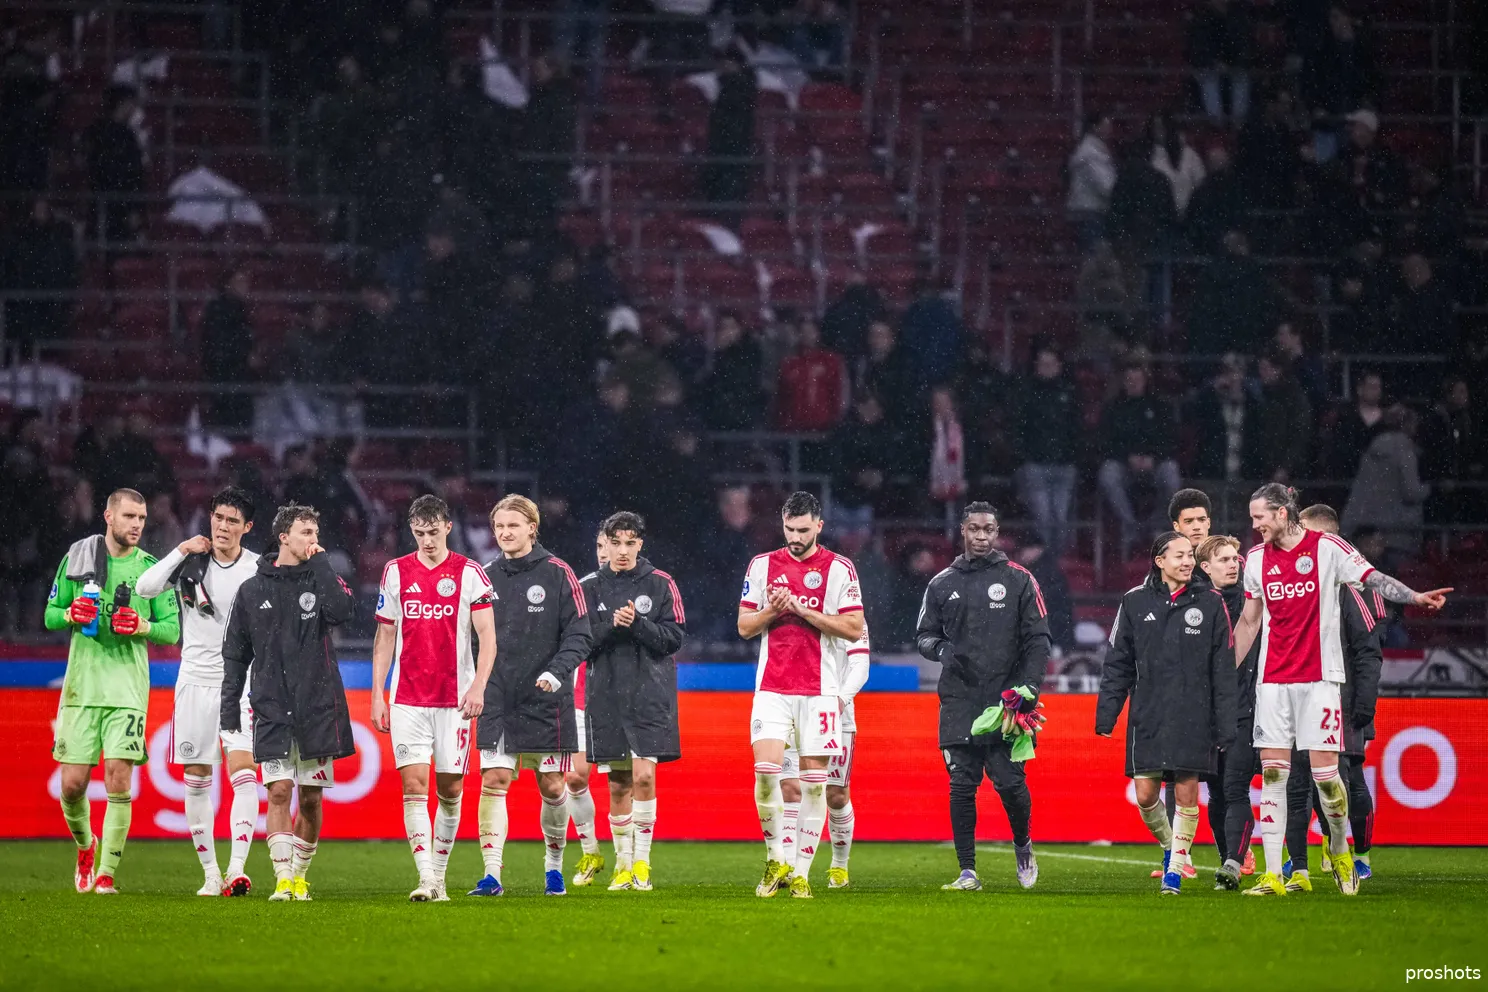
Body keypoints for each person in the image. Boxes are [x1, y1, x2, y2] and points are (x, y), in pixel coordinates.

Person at [1232, 483, 1451, 896]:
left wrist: (1414, 597)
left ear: (1282, 513)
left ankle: (1338, 846)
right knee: (1274, 774)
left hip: (1320, 681)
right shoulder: (1257, 559)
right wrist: (1226, 671)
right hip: (1273, 682)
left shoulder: (1327, 547)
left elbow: (1374, 579)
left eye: (1259, 516)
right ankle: (1273, 875)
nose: (1255, 524)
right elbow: (1249, 621)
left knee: (1327, 779)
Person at [44, 488, 181, 895]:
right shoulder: (78, 557)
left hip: (127, 689)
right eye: (129, 516)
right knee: (72, 786)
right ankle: (86, 846)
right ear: (108, 516)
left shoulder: (151, 571)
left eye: (142, 518)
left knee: (118, 780)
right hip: (82, 689)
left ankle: (106, 874)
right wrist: (70, 614)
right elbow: (50, 615)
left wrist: (142, 626)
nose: (137, 524)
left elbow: (172, 630)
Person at [221, 504, 355, 902]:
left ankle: (299, 876)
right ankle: (282, 879)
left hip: (318, 707)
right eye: (306, 533)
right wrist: (229, 708)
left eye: (316, 532)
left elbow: (343, 611)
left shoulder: (321, 578)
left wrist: (323, 565)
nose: (314, 540)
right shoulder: (251, 590)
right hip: (272, 707)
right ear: (283, 537)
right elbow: (235, 655)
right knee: (279, 791)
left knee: (310, 798)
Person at [133, 487, 261, 897]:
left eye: (232, 521)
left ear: (247, 527)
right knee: (196, 777)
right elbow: (144, 588)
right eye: (218, 518)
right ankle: (210, 874)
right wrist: (181, 549)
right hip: (194, 682)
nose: (223, 526)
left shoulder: (258, 568)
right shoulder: (192, 562)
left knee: (244, 771)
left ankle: (236, 869)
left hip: (240, 684)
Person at [916, 502, 1050, 892]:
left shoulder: (1019, 579)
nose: (981, 535)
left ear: (997, 533)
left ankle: (1022, 844)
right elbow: (924, 635)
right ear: (962, 531)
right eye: (974, 528)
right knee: (961, 784)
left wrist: (1029, 688)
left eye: (988, 529)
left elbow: (1038, 640)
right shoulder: (941, 583)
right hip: (959, 698)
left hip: (1007, 700)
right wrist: (941, 649)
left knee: (1010, 785)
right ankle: (967, 871)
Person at [371, 495, 497, 902]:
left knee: (450, 791)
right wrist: (377, 694)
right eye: (419, 533)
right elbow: (385, 635)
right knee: (413, 785)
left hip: (454, 700)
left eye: (433, 532)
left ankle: (439, 877)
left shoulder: (470, 573)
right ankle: (426, 877)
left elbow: (488, 637)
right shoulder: (395, 572)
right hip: (407, 698)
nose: (426, 540)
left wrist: (478, 686)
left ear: (447, 526)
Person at [738, 491, 864, 899]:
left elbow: (853, 628)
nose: (795, 537)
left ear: (819, 526)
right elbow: (744, 627)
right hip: (772, 688)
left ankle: (802, 874)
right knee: (766, 774)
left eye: (803, 530)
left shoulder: (840, 569)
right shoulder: (762, 565)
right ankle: (776, 858)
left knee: (813, 786)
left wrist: (804, 611)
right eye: (789, 529)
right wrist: (773, 610)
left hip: (820, 691)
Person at [1098, 531, 1235, 894]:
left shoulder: (1210, 602)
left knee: (1187, 794)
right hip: (1149, 713)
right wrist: (1107, 713)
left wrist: (1226, 723)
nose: (1188, 561)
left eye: (1191, 555)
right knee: (1145, 795)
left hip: (1194, 714)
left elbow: (1223, 668)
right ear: (1160, 561)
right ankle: (1170, 848)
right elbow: (1118, 662)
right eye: (1180, 555)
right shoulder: (1134, 601)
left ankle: (1174, 871)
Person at [472, 495, 592, 898]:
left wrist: (556, 672)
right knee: (494, 779)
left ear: (532, 528)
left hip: (546, 697)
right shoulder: (485, 578)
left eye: (513, 525)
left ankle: (553, 868)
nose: (505, 533)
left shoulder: (559, 573)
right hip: (498, 697)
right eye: (499, 526)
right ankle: (492, 875)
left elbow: (580, 634)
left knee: (553, 785)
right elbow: (472, 639)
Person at [581, 512, 687, 892]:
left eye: (630, 543)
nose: (622, 550)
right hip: (605, 695)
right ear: (605, 544)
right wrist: (612, 625)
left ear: (640, 544)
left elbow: (675, 638)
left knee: (644, 776)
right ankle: (622, 866)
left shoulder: (661, 583)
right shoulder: (589, 587)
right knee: (618, 784)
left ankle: (642, 862)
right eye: (616, 543)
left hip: (650, 694)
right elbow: (578, 642)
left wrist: (638, 624)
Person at [1280, 503, 1382, 892]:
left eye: (1303, 531)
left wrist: (1363, 704)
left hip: (1345, 698)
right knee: (1303, 778)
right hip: (1305, 695)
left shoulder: (1354, 581)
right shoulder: (1302, 576)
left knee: (1350, 776)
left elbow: (1369, 648)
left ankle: (1360, 856)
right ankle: (1314, 850)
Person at [1196, 534, 1260, 890]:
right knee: (1217, 792)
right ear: (1205, 567)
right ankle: (1227, 860)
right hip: (1207, 714)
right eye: (1224, 559)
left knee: (1235, 788)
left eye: (1235, 558)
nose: (1233, 564)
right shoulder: (1196, 605)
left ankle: (1234, 862)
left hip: (1245, 710)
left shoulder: (1254, 601)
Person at [1096, 362, 1183, 553]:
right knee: (1107, 475)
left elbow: (1171, 439)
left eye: (1137, 379)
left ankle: (1155, 525)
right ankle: (1131, 526)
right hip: (1124, 466)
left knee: (1171, 474)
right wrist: (1128, 457)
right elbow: (1105, 442)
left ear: (1145, 381)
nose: (1133, 383)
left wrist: (1154, 458)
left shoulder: (1160, 406)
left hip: (1155, 465)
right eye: (1129, 379)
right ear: (1123, 382)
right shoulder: (1113, 407)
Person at [567, 529, 610, 888]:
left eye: (610, 545)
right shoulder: (582, 589)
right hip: (583, 696)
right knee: (575, 776)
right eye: (598, 545)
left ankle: (631, 860)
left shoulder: (646, 586)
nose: (604, 552)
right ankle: (591, 851)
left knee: (625, 783)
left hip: (624, 699)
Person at [1014, 344, 1080, 557]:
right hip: (1036, 465)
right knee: (1043, 518)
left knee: (1060, 519)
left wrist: (1072, 456)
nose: (1047, 368)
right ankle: (1045, 561)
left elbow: (1077, 429)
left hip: (1064, 465)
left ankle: (1056, 561)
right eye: (1043, 364)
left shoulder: (1070, 393)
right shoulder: (1027, 393)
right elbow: (1018, 428)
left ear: (1059, 366)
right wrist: (1026, 456)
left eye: (1051, 364)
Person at [1066, 112, 1118, 251]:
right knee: (1094, 255)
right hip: (1091, 211)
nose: (1109, 130)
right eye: (1105, 126)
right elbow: (1105, 186)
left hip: (1090, 210)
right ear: (1095, 127)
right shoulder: (1091, 154)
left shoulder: (1093, 151)